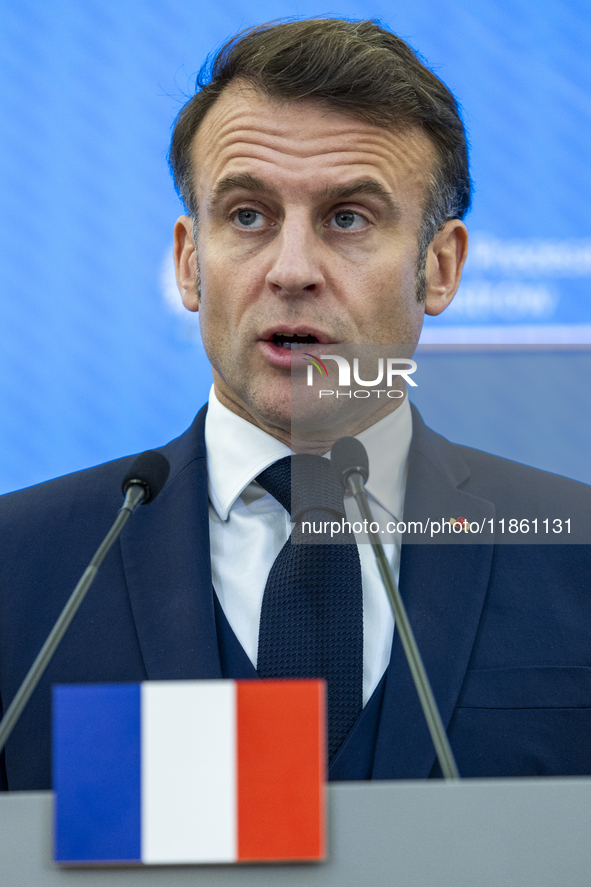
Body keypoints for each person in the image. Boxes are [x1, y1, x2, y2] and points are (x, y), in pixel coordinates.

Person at [1, 18, 590, 791]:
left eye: (348, 218)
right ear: (188, 262)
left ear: (439, 268)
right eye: (247, 215)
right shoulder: (19, 568)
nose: (291, 269)